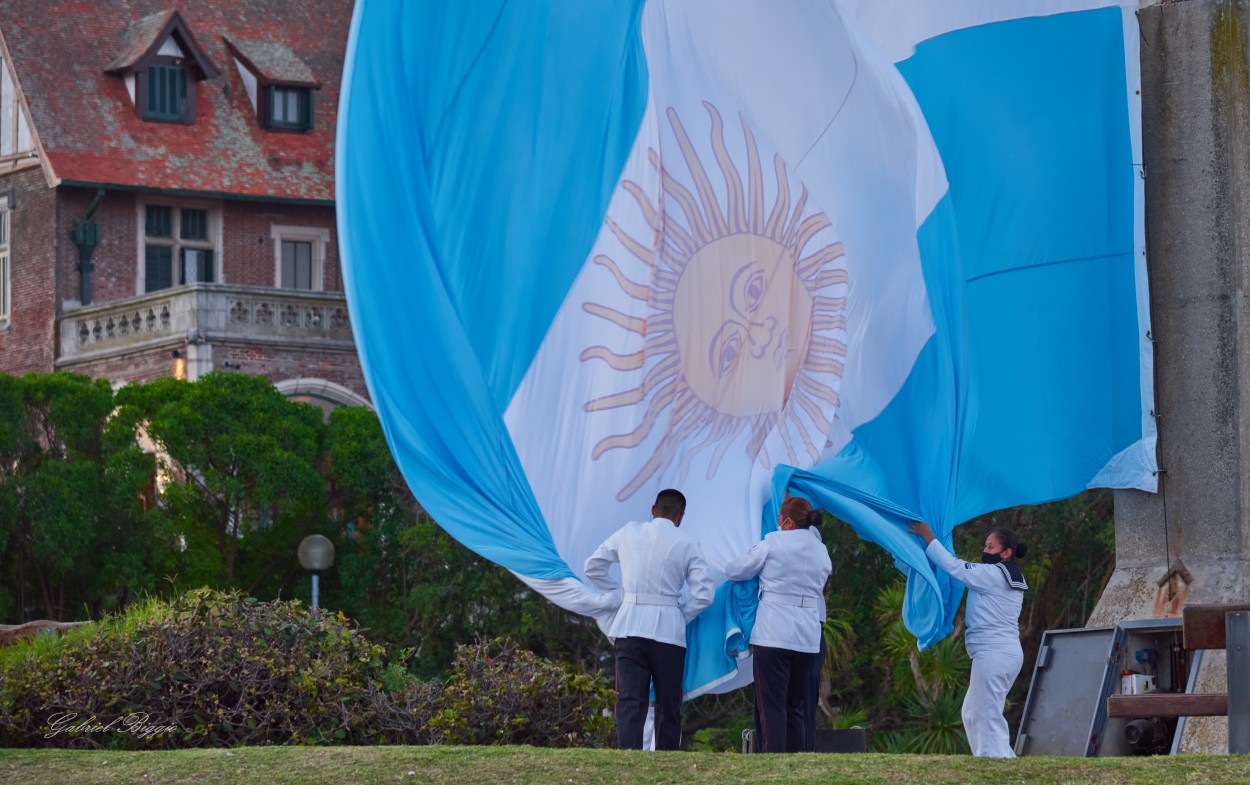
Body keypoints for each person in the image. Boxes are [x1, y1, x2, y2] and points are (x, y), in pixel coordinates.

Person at [584, 488, 714, 750]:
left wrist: (617, 594)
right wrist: (679, 616)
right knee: (668, 703)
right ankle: (666, 759)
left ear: (653, 510)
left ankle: (628, 760)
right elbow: (704, 595)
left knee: (630, 700)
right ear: (681, 517)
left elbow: (592, 566)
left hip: (630, 626)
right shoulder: (688, 542)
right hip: (669, 632)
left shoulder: (629, 531)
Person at [909, 521, 1029, 758]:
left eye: (991, 547)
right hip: (1005, 654)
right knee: (973, 712)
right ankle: (989, 760)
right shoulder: (1007, 575)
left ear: (1006, 554)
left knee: (986, 715)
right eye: (985, 545)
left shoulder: (993, 574)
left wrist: (928, 537)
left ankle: (994, 765)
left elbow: (955, 568)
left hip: (993, 654)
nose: (985, 550)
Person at [725, 495, 832, 753]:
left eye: (778, 520)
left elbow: (735, 570)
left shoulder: (773, 542)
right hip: (807, 637)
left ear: (787, 523)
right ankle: (795, 766)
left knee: (771, 707)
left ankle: (772, 767)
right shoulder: (821, 549)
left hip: (773, 634)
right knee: (795, 707)